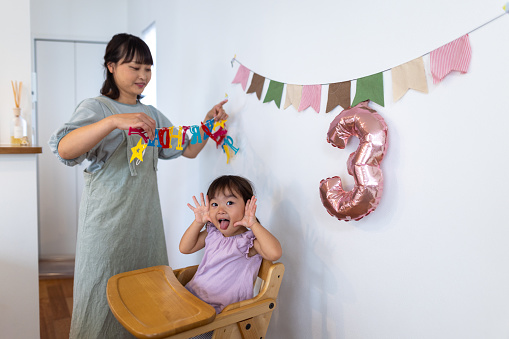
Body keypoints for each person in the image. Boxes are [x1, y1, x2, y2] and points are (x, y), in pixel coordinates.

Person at [48, 33, 228, 339]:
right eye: (134, 67)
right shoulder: (96, 107)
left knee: (149, 300)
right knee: (101, 297)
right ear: (111, 66)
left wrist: (208, 124)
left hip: (145, 226)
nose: (143, 75)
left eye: (147, 68)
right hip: (106, 227)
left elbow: (188, 149)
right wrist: (113, 122)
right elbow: (64, 149)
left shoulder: (152, 115)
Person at [180, 175, 283, 316]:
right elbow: (185, 248)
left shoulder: (248, 241)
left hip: (220, 313)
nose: (220, 210)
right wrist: (198, 222)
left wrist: (253, 224)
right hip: (193, 298)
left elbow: (274, 253)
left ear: (247, 206)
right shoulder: (213, 232)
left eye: (229, 203)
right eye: (214, 204)